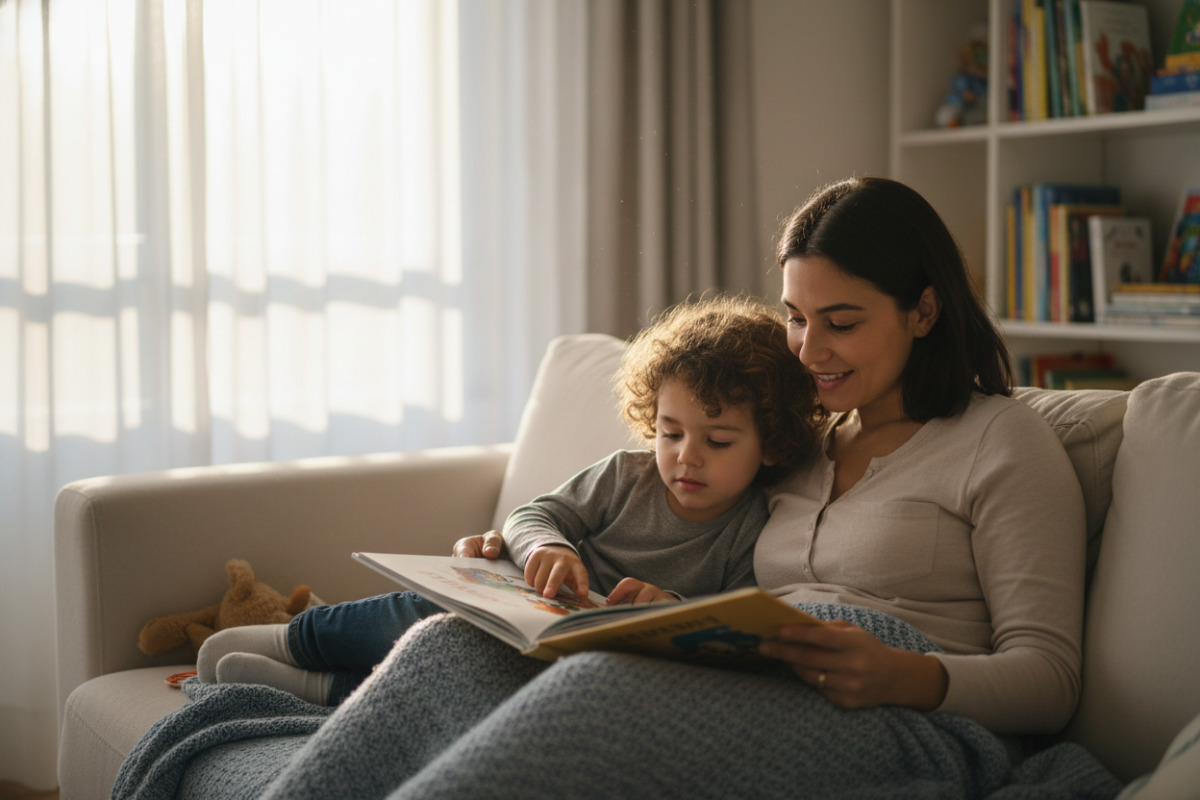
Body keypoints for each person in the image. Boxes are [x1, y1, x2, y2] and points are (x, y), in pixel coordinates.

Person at [163, 177, 1106, 800]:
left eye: (842, 322)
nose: (809, 349)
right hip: (760, 668)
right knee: (450, 646)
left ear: (924, 310)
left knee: (595, 701)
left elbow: (1052, 680)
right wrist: (545, 565)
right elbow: (687, 532)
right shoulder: (798, 443)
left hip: (903, 711)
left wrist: (911, 675)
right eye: (795, 317)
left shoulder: (1002, 443)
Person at [195, 294, 819, 705]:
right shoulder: (627, 476)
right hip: (531, 609)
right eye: (670, 433)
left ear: (771, 442)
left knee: (473, 684)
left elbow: (730, 629)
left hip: (586, 663)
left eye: (717, 441)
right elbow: (533, 514)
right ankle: (296, 640)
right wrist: (548, 546)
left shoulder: (754, 529)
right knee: (429, 613)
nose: (686, 456)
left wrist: (674, 608)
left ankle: (321, 689)